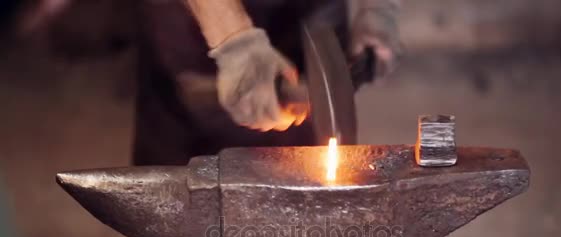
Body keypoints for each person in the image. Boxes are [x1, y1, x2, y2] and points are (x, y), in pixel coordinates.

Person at [133, 0, 402, 165]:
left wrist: (379, 7)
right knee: (192, 177)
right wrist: (235, 42)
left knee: (302, 164)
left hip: (311, 9)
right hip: (204, 11)